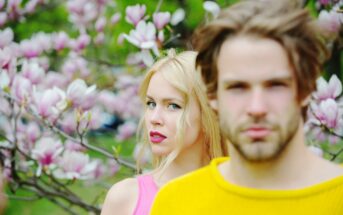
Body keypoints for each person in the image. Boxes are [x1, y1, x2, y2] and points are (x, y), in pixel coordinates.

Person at [150, 1, 343, 214]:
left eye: (275, 85)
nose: (257, 107)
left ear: (306, 89)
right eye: (238, 87)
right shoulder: (175, 203)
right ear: (212, 95)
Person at [100, 50, 227, 215]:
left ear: (208, 114)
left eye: (173, 106)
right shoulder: (125, 198)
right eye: (151, 104)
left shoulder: (236, 197)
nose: (154, 118)